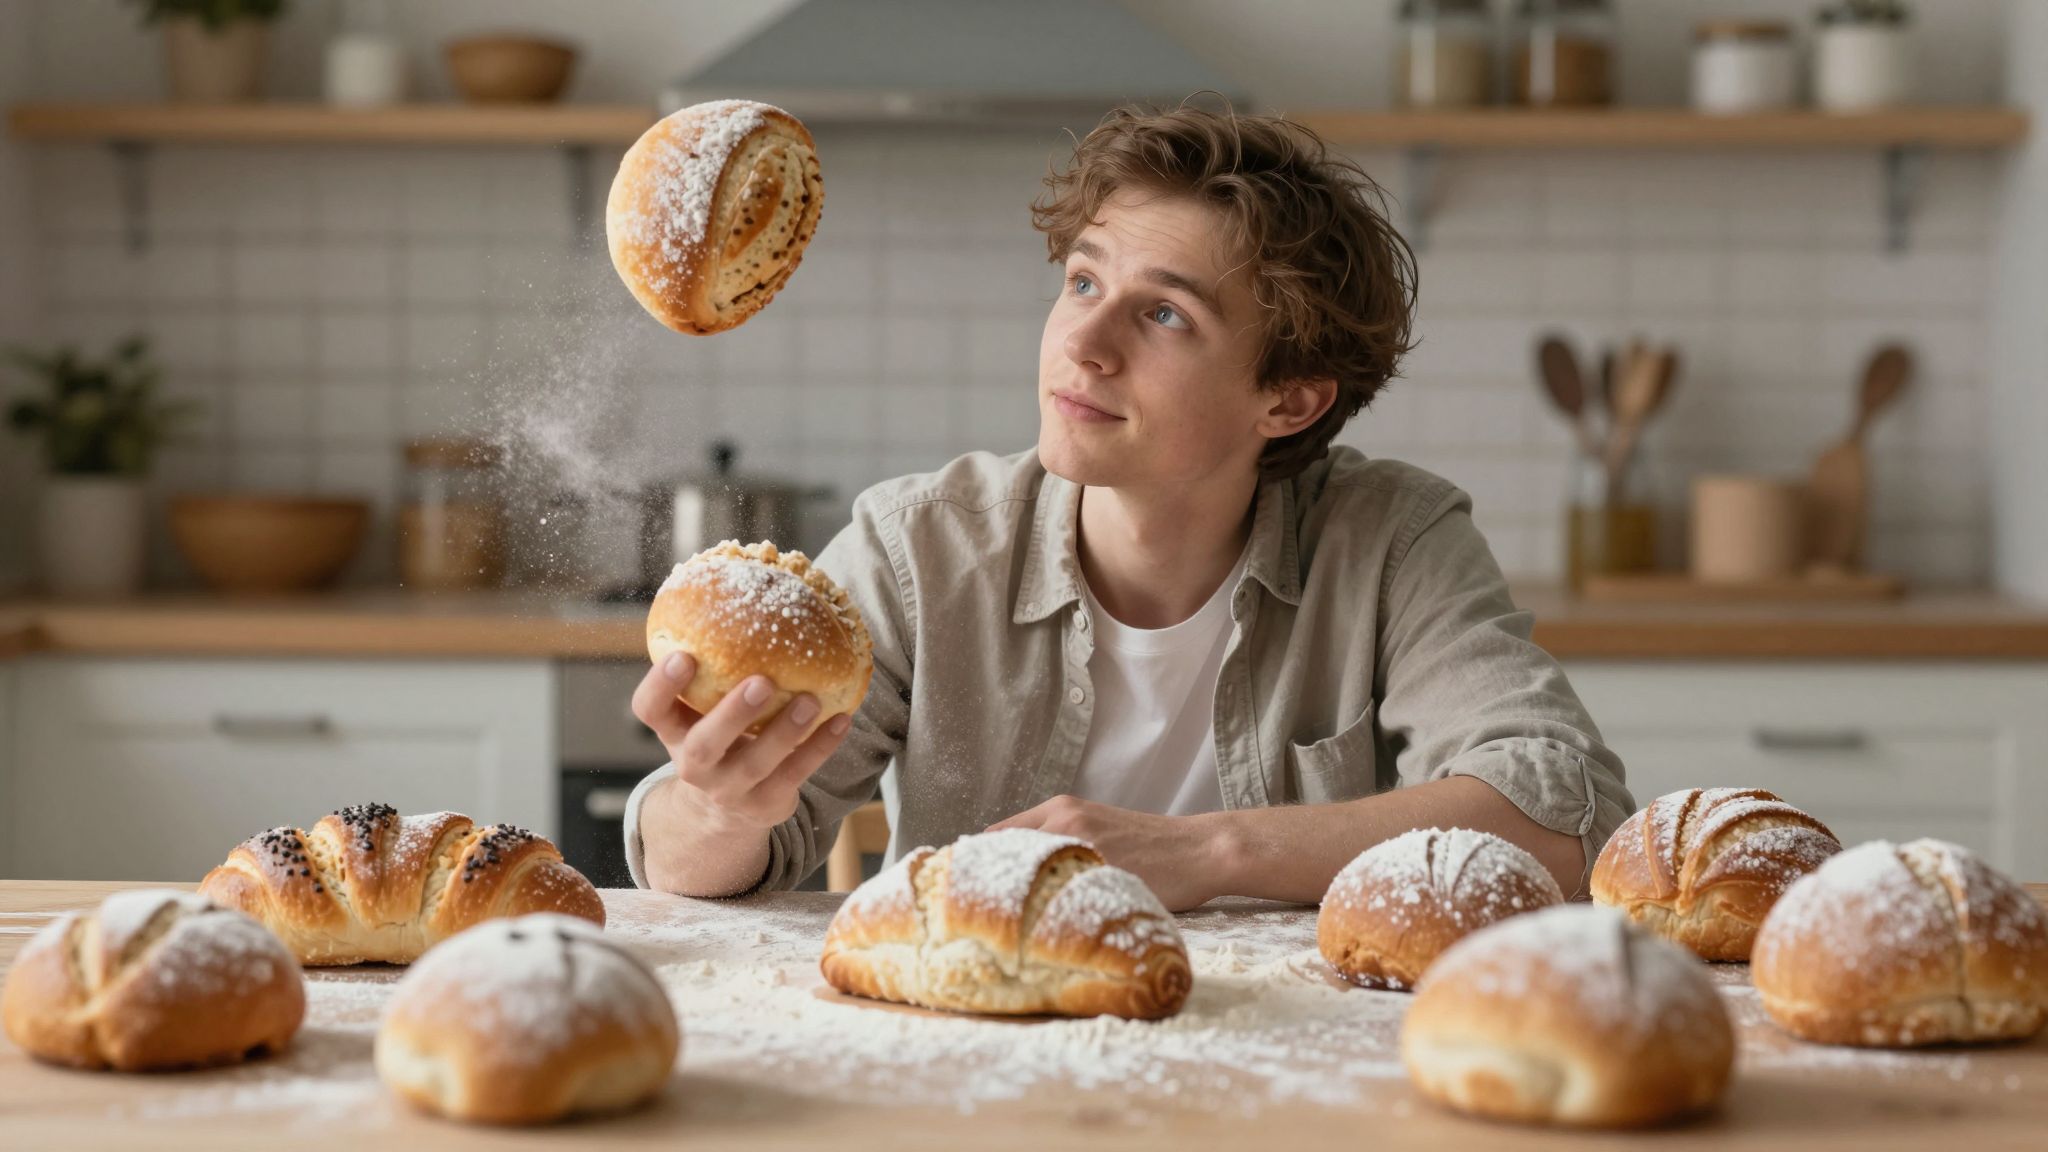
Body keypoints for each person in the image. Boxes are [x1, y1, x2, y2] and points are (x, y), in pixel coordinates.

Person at [624, 103, 1633, 910]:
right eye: (1080, 281)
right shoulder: (918, 546)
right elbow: (687, 869)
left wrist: (1209, 852)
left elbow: (1561, 814)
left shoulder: (1390, 541)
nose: (1083, 342)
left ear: (1287, 399)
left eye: (1162, 313)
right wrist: (715, 807)